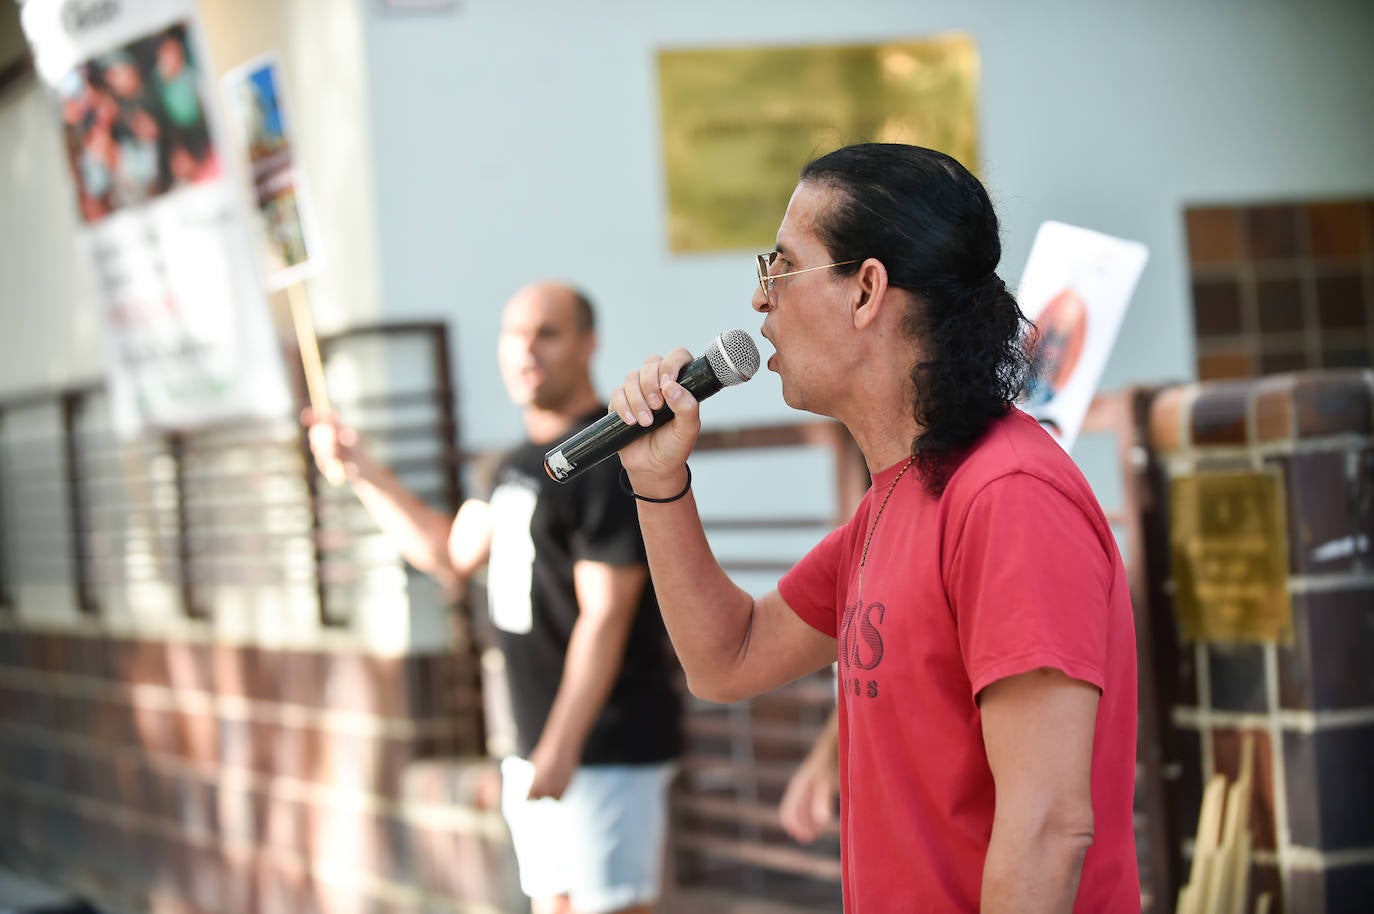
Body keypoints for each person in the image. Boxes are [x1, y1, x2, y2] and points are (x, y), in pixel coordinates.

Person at [609, 143, 1139, 913]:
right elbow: (729, 658)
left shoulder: (1008, 497)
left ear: (866, 291)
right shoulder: (897, 498)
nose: (759, 302)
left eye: (780, 269)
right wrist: (659, 484)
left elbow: (1048, 829)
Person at [306, 282, 683, 914]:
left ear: (588, 344)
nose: (526, 350)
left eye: (548, 333)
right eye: (515, 335)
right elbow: (448, 554)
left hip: (605, 748)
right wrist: (362, 470)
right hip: (533, 748)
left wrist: (561, 747)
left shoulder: (610, 454)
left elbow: (606, 616)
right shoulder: (510, 466)